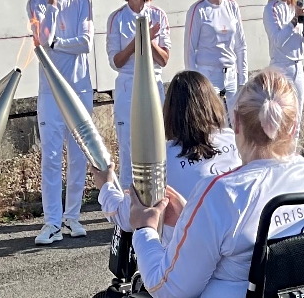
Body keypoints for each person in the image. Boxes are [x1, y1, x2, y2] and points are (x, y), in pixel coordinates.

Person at [96, 68, 304, 298]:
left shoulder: (222, 193)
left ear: (237, 123)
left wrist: (144, 229)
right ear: (293, 126)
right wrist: (188, 220)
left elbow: (167, 287)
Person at [93, 70, 242, 246]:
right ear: (213, 104)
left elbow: (126, 217)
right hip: (237, 249)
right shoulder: (235, 140)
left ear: (169, 112)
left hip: (186, 260)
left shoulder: (161, 160)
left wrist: (106, 186)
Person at [26, 0, 94, 245]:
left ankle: (72, 217)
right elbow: (41, 42)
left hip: (78, 88)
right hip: (51, 92)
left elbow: (86, 43)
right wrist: (52, 4)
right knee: (51, 157)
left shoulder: (82, 3)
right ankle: (51, 221)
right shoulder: (36, 4)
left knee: (79, 155)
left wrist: (57, 43)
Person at [107, 0, 172, 189]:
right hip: (127, 86)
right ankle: (127, 211)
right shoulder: (116, 18)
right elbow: (116, 61)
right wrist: (137, 40)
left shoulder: (159, 15)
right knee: (128, 147)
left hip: (153, 86)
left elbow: (164, 60)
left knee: (156, 143)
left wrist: (150, 41)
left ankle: (158, 201)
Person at [185, 0, 248, 122]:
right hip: (209, 76)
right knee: (214, 124)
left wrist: (243, 81)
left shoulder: (232, 7)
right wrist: (194, 85)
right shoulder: (198, 10)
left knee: (236, 125)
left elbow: (241, 46)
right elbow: (190, 51)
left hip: (231, 76)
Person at [262, 0, 304, 139]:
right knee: (281, 118)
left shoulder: (297, 7)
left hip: (298, 66)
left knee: (296, 118)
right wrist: (294, 20)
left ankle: (293, 158)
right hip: (281, 67)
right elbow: (277, 41)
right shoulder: (272, 8)